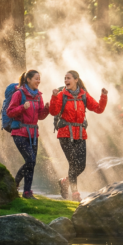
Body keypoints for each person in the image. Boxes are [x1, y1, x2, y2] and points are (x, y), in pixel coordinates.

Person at [50, 71, 108, 201]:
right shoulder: (61, 95)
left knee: (81, 165)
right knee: (73, 163)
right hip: (65, 134)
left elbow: (98, 109)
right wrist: (54, 97)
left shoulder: (84, 95)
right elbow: (53, 111)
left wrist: (103, 96)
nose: (66, 80)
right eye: (65, 78)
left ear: (76, 80)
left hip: (80, 134)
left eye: (68, 78)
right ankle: (75, 194)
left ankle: (65, 181)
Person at [7, 70, 50, 199]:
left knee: (31, 162)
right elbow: (10, 112)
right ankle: (15, 182)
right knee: (30, 161)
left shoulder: (38, 96)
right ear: (28, 80)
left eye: (39, 78)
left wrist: (47, 109)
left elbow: (40, 116)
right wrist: (22, 107)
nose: (38, 81)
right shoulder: (19, 94)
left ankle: (27, 192)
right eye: (36, 78)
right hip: (19, 133)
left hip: (33, 134)